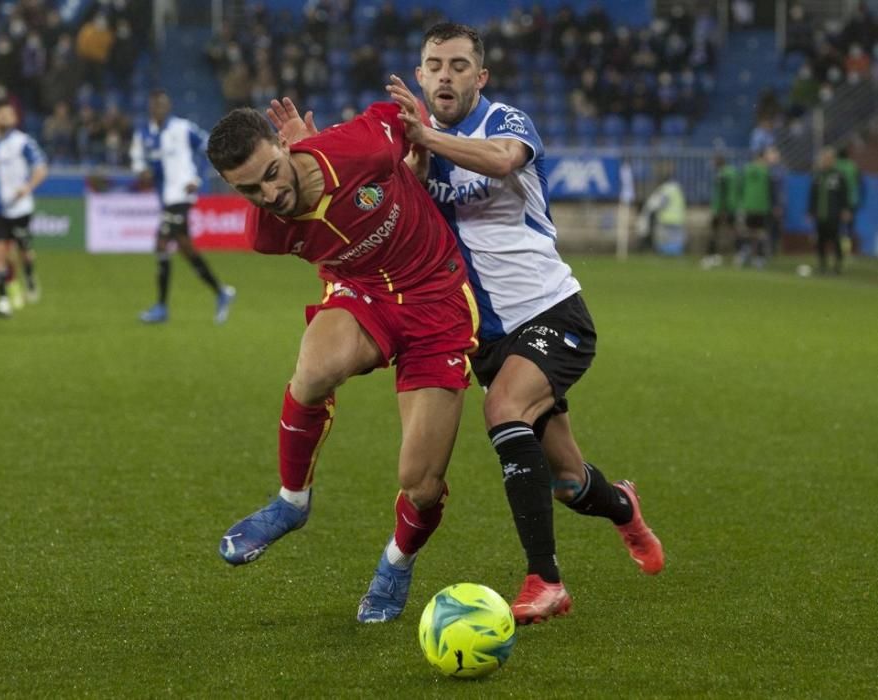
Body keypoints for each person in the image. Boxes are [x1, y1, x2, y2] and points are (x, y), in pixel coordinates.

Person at [269, 22, 662, 624]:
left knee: (503, 410)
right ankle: (623, 508)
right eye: (435, 65)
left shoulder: (505, 123)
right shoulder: (406, 151)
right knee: (568, 479)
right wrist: (315, 151)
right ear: (421, 76)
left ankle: (545, 581)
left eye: (459, 65)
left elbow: (504, 162)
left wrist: (423, 134)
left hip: (551, 310)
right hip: (480, 332)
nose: (446, 75)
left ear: (480, 78)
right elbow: (359, 198)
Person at [205, 101, 480, 623]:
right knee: (312, 371)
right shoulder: (267, 233)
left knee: (420, 483)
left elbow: (402, 119)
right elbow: (330, 245)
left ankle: (396, 562)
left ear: (285, 146)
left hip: (436, 302)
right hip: (365, 296)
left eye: (270, 174)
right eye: (249, 189)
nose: (270, 195)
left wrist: (414, 159)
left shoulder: (359, 148)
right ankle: (291, 502)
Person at [130, 90, 235, 324]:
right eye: (156, 104)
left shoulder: (182, 129)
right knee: (185, 248)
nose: (160, 108)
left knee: (161, 243)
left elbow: (210, 146)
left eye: (164, 104)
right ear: (150, 107)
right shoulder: (143, 134)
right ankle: (221, 292)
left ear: (168, 107)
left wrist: (197, 179)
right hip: (166, 198)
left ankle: (161, 308)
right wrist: (142, 172)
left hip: (182, 195)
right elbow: (137, 162)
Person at [0, 101, 48, 318]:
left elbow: (41, 168)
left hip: (20, 207)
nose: (3, 117)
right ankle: (2, 301)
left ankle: (29, 275)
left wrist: (28, 187)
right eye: (0, 114)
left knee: (24, 252)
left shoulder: (23, 142)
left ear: (14, 118)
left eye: (7, 114)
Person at [808, 147, 851, 274]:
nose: (825, 161)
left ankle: (837, 265)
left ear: (833, 160)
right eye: (824, 159)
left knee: (835, 239)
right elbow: (813, 195)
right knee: (820, 240)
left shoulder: (839, 176)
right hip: (820, 214)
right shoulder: (818, 176)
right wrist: (810, 211)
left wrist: (845, 209)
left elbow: (844, 194)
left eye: (828, 159)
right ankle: (822, 264)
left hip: (834, 214)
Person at [736, 149, 775, 268]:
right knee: (760, 232)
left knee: (748, 231)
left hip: (748, 206)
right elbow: (771, 191)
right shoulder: (766, 172)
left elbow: (740, 187)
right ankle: (758, 257)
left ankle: (745, 255)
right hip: (761, 207)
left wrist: (741, 202)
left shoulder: (746, 170)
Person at [702, 154, 739, 269]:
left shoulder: (722, 175)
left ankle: (712, 256)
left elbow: (723, 193)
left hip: (722, 208)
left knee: (714, 232)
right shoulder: (733, 173)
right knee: (733, 232)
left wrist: (722, 210)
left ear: (718, 163)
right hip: (732, 207)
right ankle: (739, 255)